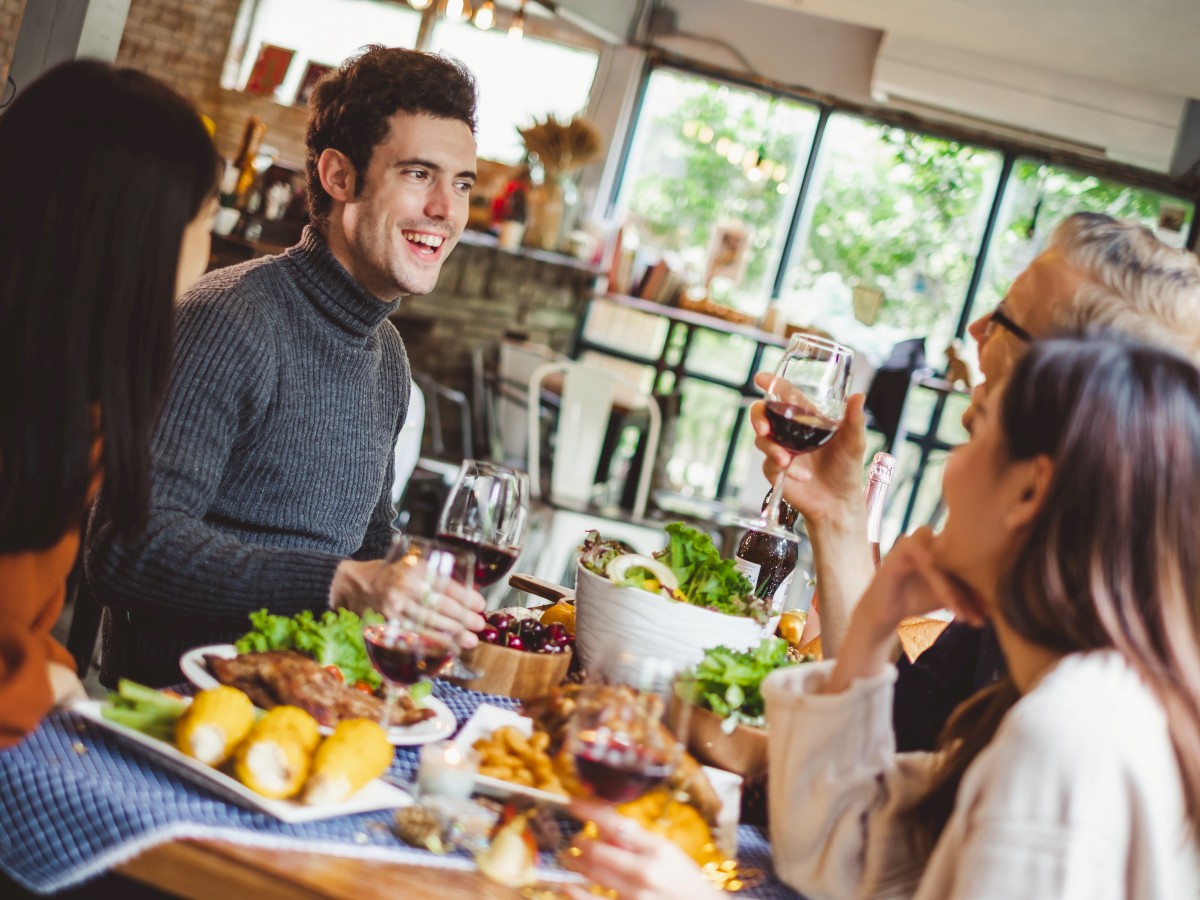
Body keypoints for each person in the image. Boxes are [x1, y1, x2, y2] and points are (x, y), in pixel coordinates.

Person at [566, 333, 1200, 898]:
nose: (951, 471)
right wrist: (871, 624)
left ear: (1029, 491)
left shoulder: (1065, 745)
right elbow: (842, 857)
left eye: (973, 433)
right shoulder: (1074, 702)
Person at [86, 46, 486, 688]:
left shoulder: (386, 357)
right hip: (184, 711)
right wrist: (339, 584)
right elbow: (126, 550)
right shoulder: (230, 319)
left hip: (316, 698)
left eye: (462, 184)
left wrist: (428, 593)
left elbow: (368, 543)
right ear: (338, 176)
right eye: (418, 174)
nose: (447, 209)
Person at [751, 212, 1200, 749]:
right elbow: (887, 741)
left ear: (1073, 378)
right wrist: (836, 512)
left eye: (1005, 319)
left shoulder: (1083, 715)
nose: (975, 328)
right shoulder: (1034, 585)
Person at [0, 60, 221, 746]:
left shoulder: (70, 399)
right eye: (208, 219)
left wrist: (47, 672)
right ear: (140, 240)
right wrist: (43, 682)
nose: (209, 252)